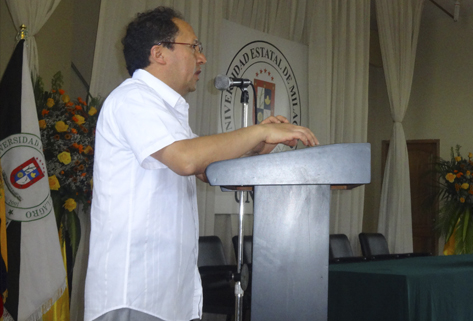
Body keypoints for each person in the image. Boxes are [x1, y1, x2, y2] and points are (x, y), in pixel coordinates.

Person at [84, 6, 318, 321]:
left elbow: (208, 169)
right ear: (159, 53)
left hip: (171, 296)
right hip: (136, 292)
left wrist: (260, 146)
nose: (202, 58)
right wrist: (259, 130)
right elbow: (185, 159)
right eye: (194, 47)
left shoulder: (164, 110)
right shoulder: (133, 99)